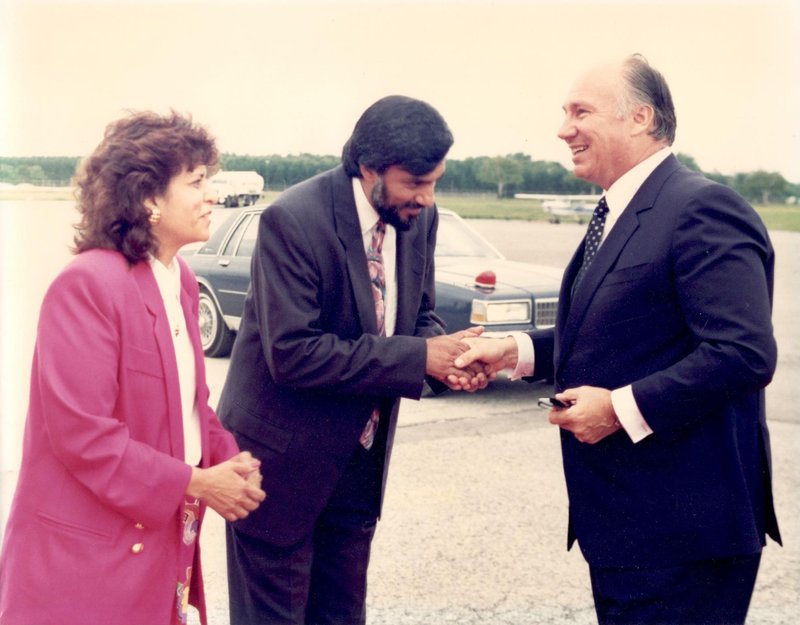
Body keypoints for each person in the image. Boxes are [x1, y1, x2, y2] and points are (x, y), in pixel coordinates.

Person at [455, 54, 781, 625]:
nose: (563, 129)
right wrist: (517, 350)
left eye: (581, 111)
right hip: (629, 529)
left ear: (640, 118)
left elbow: (743, 353)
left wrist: (619, 409)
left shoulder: (701, 208)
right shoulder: (619, 210)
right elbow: (618, 331)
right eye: (563, 112)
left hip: (684, 536)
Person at [218, 95, 486, 625]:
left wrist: (453, 357)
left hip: (358, 465)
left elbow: (418, 318)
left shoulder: (418, 221)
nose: (428, 199)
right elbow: (293, 355)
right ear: (368, 168)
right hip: (277, 470)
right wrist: (418, 357)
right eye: (415, 183)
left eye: (436, 181)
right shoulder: (291, 221)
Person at [0, 111, 266, 625]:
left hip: (156, 549)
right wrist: (199, 482)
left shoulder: (179, 279)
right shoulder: (87, 285)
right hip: (88, 566)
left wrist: (229, 461)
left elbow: (190, 406)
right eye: (196, 182)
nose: (212, 195)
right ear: (149, 199)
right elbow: (85, 436)